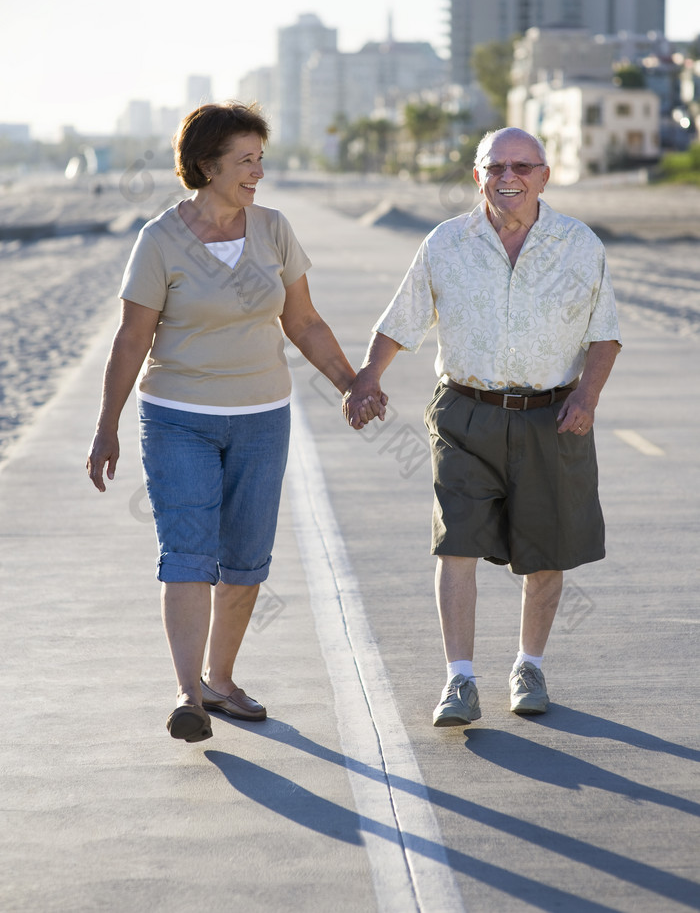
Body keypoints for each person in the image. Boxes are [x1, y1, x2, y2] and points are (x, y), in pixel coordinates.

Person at [87, 101, 380, 743]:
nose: (258, 173)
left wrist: (353, 382)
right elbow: (131, 340)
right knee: (188, 555)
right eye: (245, 160)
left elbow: (302, 321)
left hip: (261, 419)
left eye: (260, 159)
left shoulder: (273, 230)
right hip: (178, 419)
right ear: (205, 165)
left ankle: (221, 680)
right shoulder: (160, 239)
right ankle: (188, 695)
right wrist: (107, 425)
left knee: (245, 559)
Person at [343, 127, 621, 726]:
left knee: (547, 552)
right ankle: (460, 679)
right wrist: (368, 377)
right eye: (495, 167)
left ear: (544, 175)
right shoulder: (447, 243)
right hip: (464, 414)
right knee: (457, 543)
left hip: (552, 416)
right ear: (478, 177)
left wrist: (587, 398)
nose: (508, 177)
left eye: (522, 166)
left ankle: (530, 665)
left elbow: (605, 333)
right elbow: (402, 319)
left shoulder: (578, 244)